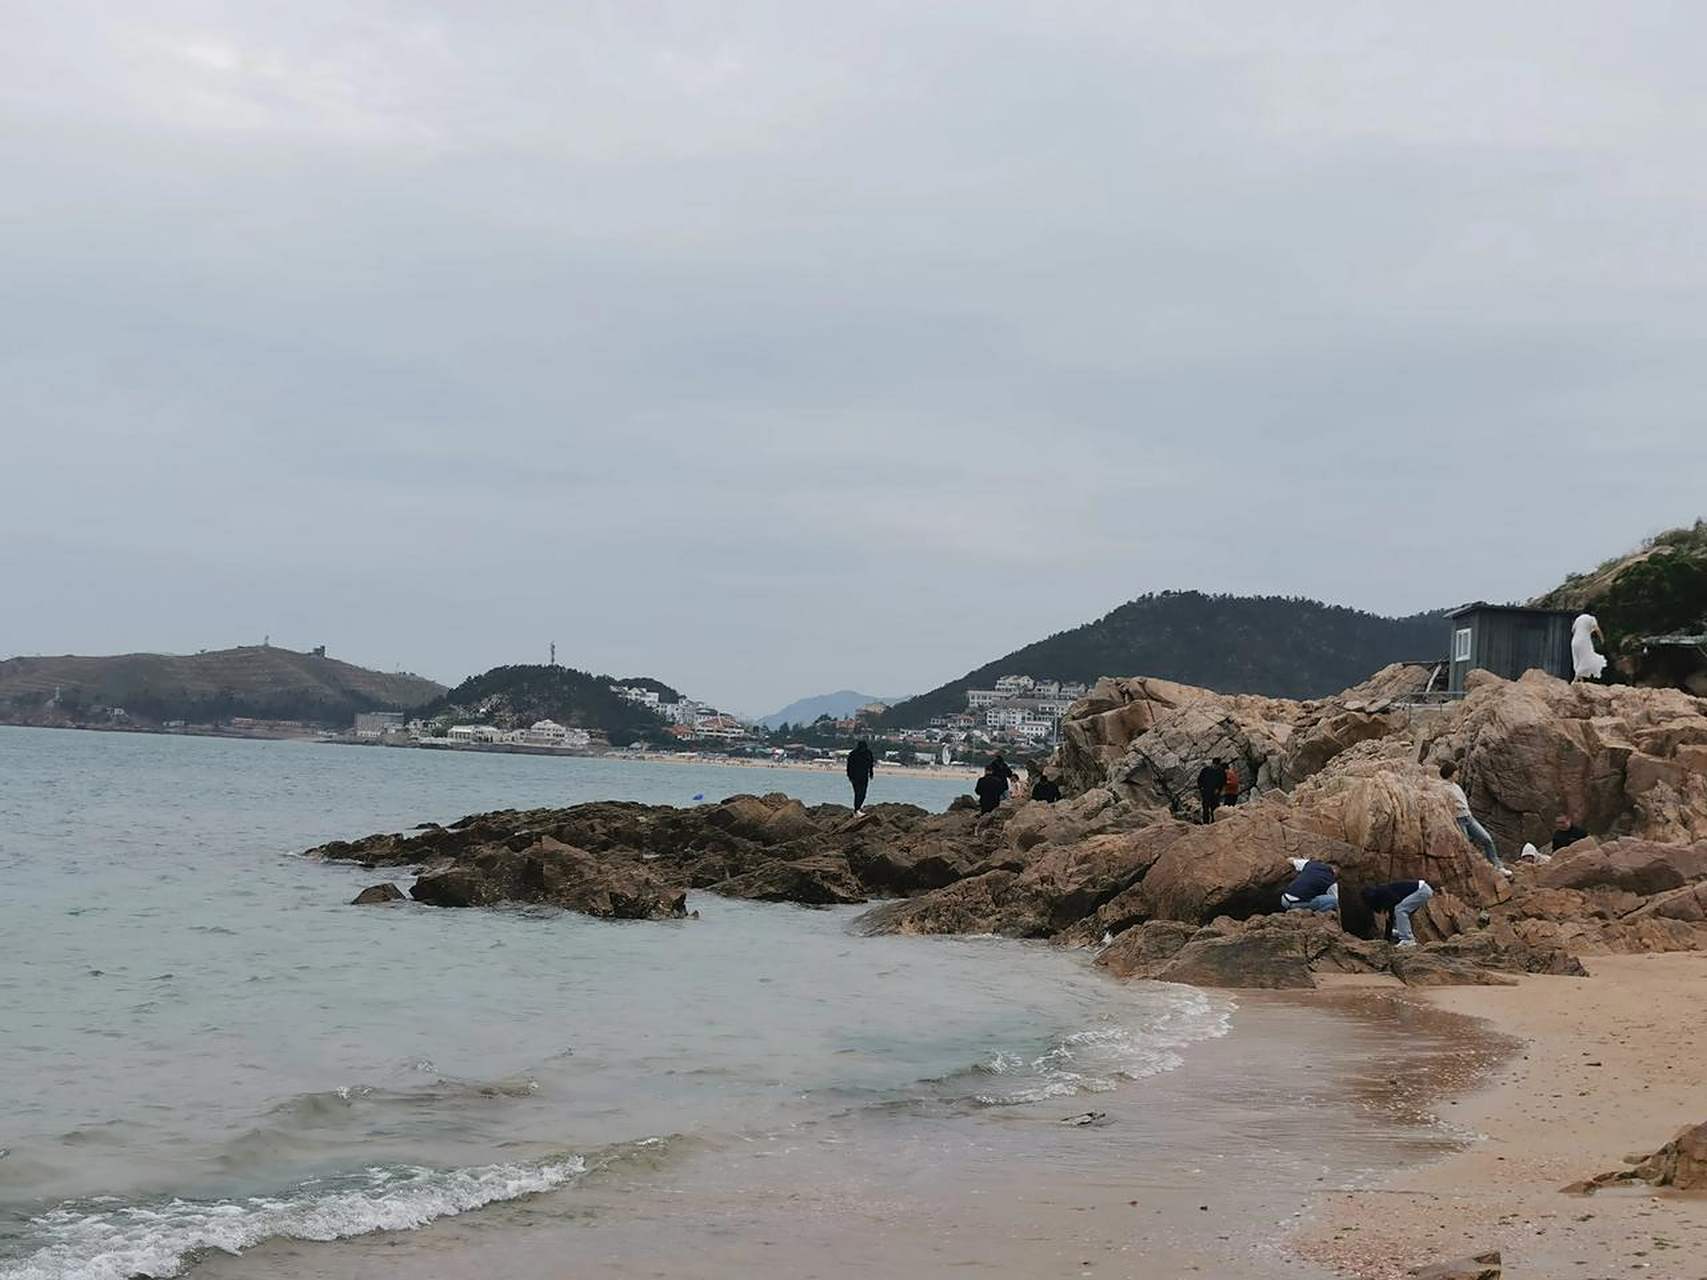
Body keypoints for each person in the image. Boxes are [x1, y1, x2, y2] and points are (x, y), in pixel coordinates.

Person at [1440, 761, 1511, 878]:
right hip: (1458, 819)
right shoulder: (1443, 788)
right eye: (1456, 772)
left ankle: (1498, 866)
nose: (1458, 774)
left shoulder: (1456, 786)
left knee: (1487, 839)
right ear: (1451, 773)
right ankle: (1468, 872)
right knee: (1465, 846)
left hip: (1469, 817)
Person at [1360, 879, 1434, 947]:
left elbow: (1396, 901)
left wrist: (1389, 912)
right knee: (1399, 912)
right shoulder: (1384, 897)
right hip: (1423, 890)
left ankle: (1407, 940)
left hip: (1422, 890)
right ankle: (1400, 933)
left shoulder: (1382, 891)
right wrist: (1386, 941)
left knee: (1400, 910)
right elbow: (1390, 920)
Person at [1572, 612, 1607, 682]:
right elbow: (1597, 629)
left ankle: (1581, 680)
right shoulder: (1591, 619)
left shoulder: (1578, 618)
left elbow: (1573, 630)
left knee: (1577, 659)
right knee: (1586, 658)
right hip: (1584, 641)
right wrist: (1602, 638)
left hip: (1575, 641)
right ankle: (1575, 680)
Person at [845, 740, 876, 812]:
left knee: (861, 793)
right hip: (857, 776)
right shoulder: (854, 754)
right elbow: (849, 766)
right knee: (859, 793)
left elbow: (870, 764)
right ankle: (857, 808)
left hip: (862, 776)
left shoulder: (867, 753)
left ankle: (857, 808)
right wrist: (850, 776)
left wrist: (871, 773)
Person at [1196, 759, 1226, 824]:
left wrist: (1218, 789)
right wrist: (1201, 788)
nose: (1215, 766)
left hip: (1214, 792)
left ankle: (1214, 821)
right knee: (1205, 808)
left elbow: (1223, 782)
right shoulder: (1205, 770)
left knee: (1214, 808)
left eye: (1217, 765)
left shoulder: (1221, 771)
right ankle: (1205, 822)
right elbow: (1199, 780)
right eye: (1215, 764)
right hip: (1206, 791)